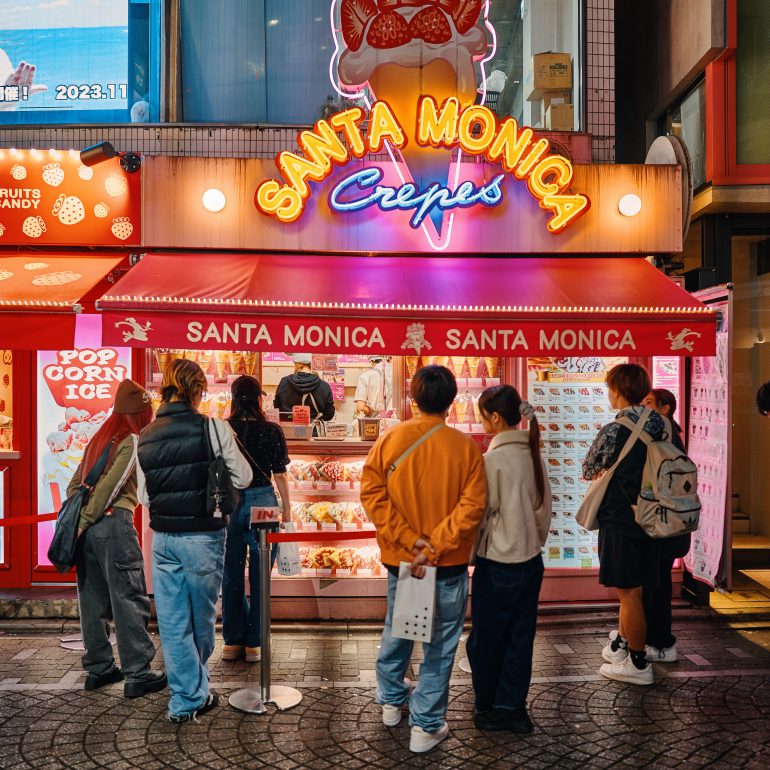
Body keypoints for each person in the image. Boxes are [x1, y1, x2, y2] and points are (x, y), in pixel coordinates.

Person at [360, 365, 487, 754]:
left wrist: (411, 541)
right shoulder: (465, 448)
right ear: (451, 401)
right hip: (445, 562)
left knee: (399, 630)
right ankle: (427, 724)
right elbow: (473, 506)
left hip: (403, 560)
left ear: (413, 397)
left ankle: (391, 701)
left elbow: (372, 494)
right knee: (440, 642)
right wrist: (434, 544)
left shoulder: (391, 439)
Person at [137, 358, 252, 723]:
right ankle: (192, 692)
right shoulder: (214, 428)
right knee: (201, 620)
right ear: (196, 390)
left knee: (172, 622)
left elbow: (143, 496)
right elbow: (245, 476)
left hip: (164, 540)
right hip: (202, 536)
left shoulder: (146, 434)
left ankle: (187, 697)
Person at [68, 379, 166, 698]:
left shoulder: (98, 438)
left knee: (92, 599)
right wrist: (85, 519)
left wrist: (80, 521)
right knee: (128, 597)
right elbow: (112, 487)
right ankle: (138, 673)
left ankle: (99, 668)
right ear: (140, 413)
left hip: (89, 533)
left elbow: (74, 486)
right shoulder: (132, 440)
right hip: (114, 525)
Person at [467, 385, 551, 733]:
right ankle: (511, 705)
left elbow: (480, 515)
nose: (480, 419)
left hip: (497, 562)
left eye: (482, 414)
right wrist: (532, 540)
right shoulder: (533, 455)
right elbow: (544, 512)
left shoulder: (492, 461)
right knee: (520, 636)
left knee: (486, 638)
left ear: (496, 418)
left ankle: (488, 705)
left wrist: (470, 553)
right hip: (530, 561)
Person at [582, 363, 665, 686]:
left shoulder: (616, 429)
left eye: (610, 388)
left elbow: (590, 468)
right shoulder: (661, 423)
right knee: (634, 589)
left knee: (629, 591)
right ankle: (622, 649)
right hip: (655, 516)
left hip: (622, 517)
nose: (608, 394)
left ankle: (638, 661)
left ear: (618, 390)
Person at [222, 375, 291, 663]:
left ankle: (232, 642)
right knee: (262, 575)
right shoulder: (271, 430)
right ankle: (255, 644)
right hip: (264, 502)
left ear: (234, 399)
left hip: (232, 504)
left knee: (232, 573)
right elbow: (280, 474)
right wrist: (288, 508)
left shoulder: (223, 429)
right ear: (259, 400)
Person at [637, 388, 690, 662]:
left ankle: (656, 641)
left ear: (665, 407)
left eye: (648, 403)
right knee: (659, 581)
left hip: (661, 521)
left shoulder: (661, 431)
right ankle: (656, 639)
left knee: (653, 583)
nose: (643, 408)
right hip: (670, 520)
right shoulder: (673, 434)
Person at [273, 353, 335, 424]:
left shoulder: (284, 382)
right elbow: (329, 415)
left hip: (289, 429)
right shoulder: (324, 385)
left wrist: (291, 417)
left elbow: (277, 410)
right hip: (313, 431)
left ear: (296, 364)